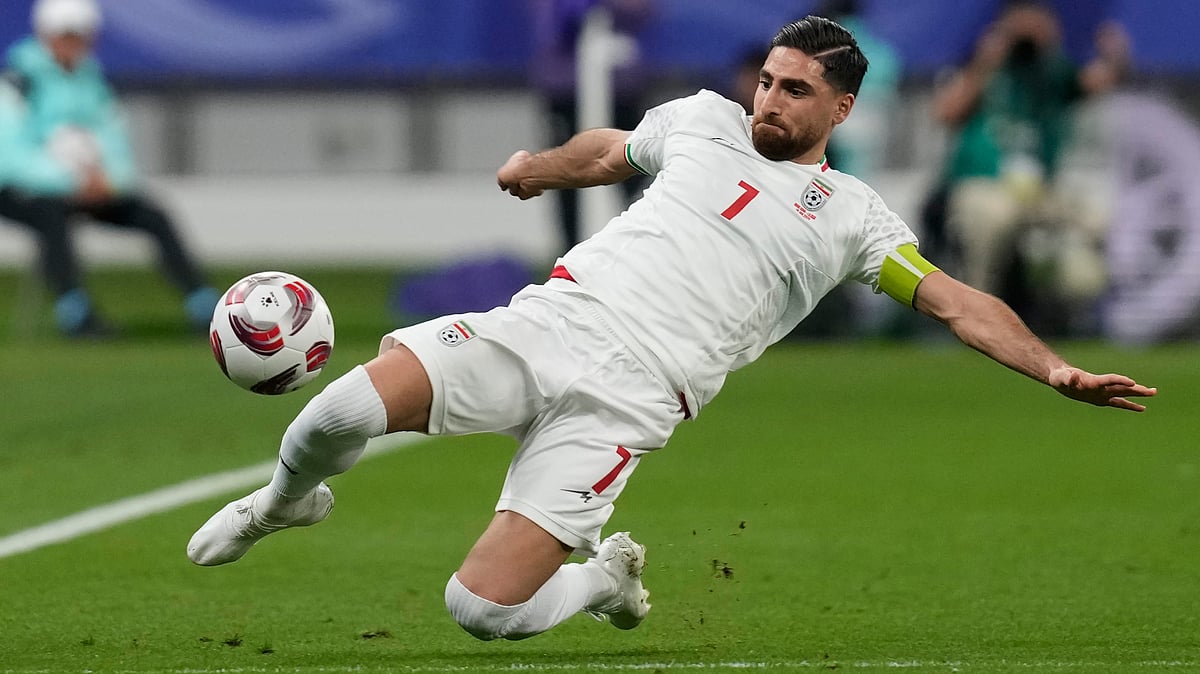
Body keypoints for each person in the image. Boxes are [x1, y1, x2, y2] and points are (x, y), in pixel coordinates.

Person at [187, 16, 1156, 641]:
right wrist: (538, 164)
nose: (769, 100)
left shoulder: (855, 215)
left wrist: (1053, 367)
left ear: (842, 107)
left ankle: (605, 577)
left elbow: (953, 298)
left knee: (480, 609)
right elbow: (612, 149)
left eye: (794, 91)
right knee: (334, 414)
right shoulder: (703, 121)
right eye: (767, 81)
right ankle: (282, 502)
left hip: (629, 397)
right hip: (549, 323)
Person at [0, 0, 218, 337]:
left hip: (92, 188)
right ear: (46, 35)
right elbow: (12, 156)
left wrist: (109, 181)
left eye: (80, 36)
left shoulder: (93, 81)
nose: (74, 44)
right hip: (23, 192)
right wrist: (70, 181)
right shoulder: (17, 82)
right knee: (51, 216)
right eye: (66, 36)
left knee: (154, 215)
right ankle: (75, 311)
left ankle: (204, 305)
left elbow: (116, 142)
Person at [931, 0, 1129, 333]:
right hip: (985, 185)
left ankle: (1075, 316)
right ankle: (975, 318)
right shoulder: (983, 69)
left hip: (1039, 192)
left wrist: (1115, 55)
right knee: (993, 217)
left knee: (1097, 223)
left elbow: (1098, 81)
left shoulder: (1054, 72)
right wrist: (986, 62)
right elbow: (946, 113)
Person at [529, 0, 654, 251]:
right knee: (566, 176)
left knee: (636, 169)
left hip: (620, 91)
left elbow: (641, 10)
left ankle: (636, 248)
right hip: (565, 89)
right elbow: (545, 20)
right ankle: (573, 255)